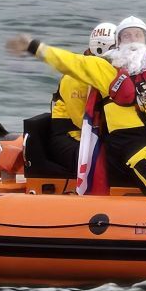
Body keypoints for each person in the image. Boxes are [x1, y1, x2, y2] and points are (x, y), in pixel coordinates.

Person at [7, 16, 146, 196]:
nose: (133, 39)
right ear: (118, 41)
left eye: (138, 35)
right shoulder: (103, 68)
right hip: (129, 139)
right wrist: (33, 46)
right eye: (127, 35)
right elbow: (67, 61)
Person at [45, 21, 116, 177]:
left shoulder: (110, 72)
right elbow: (82, 120)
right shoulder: (75, 78)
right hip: (71, 137)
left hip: (92, 136)